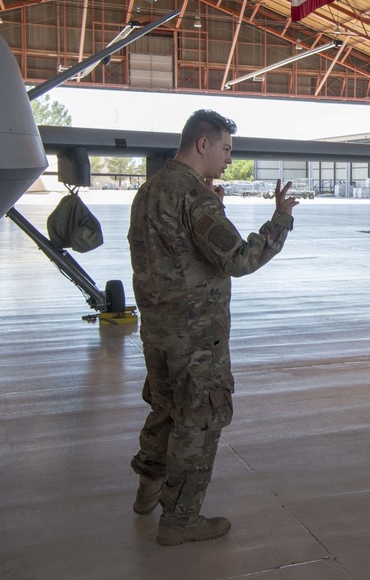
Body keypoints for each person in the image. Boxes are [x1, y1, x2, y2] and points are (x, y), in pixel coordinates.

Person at [128, 109, 298, 546]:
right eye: (225, 148)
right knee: (200, 417)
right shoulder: (194, 198)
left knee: (166, 406)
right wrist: (279, 220)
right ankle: (181, 518)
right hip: (195, 333)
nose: (227, 158)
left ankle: (148, 483)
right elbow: (239, 259)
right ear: (203, 144)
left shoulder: (149, 191)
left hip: (158, 328)